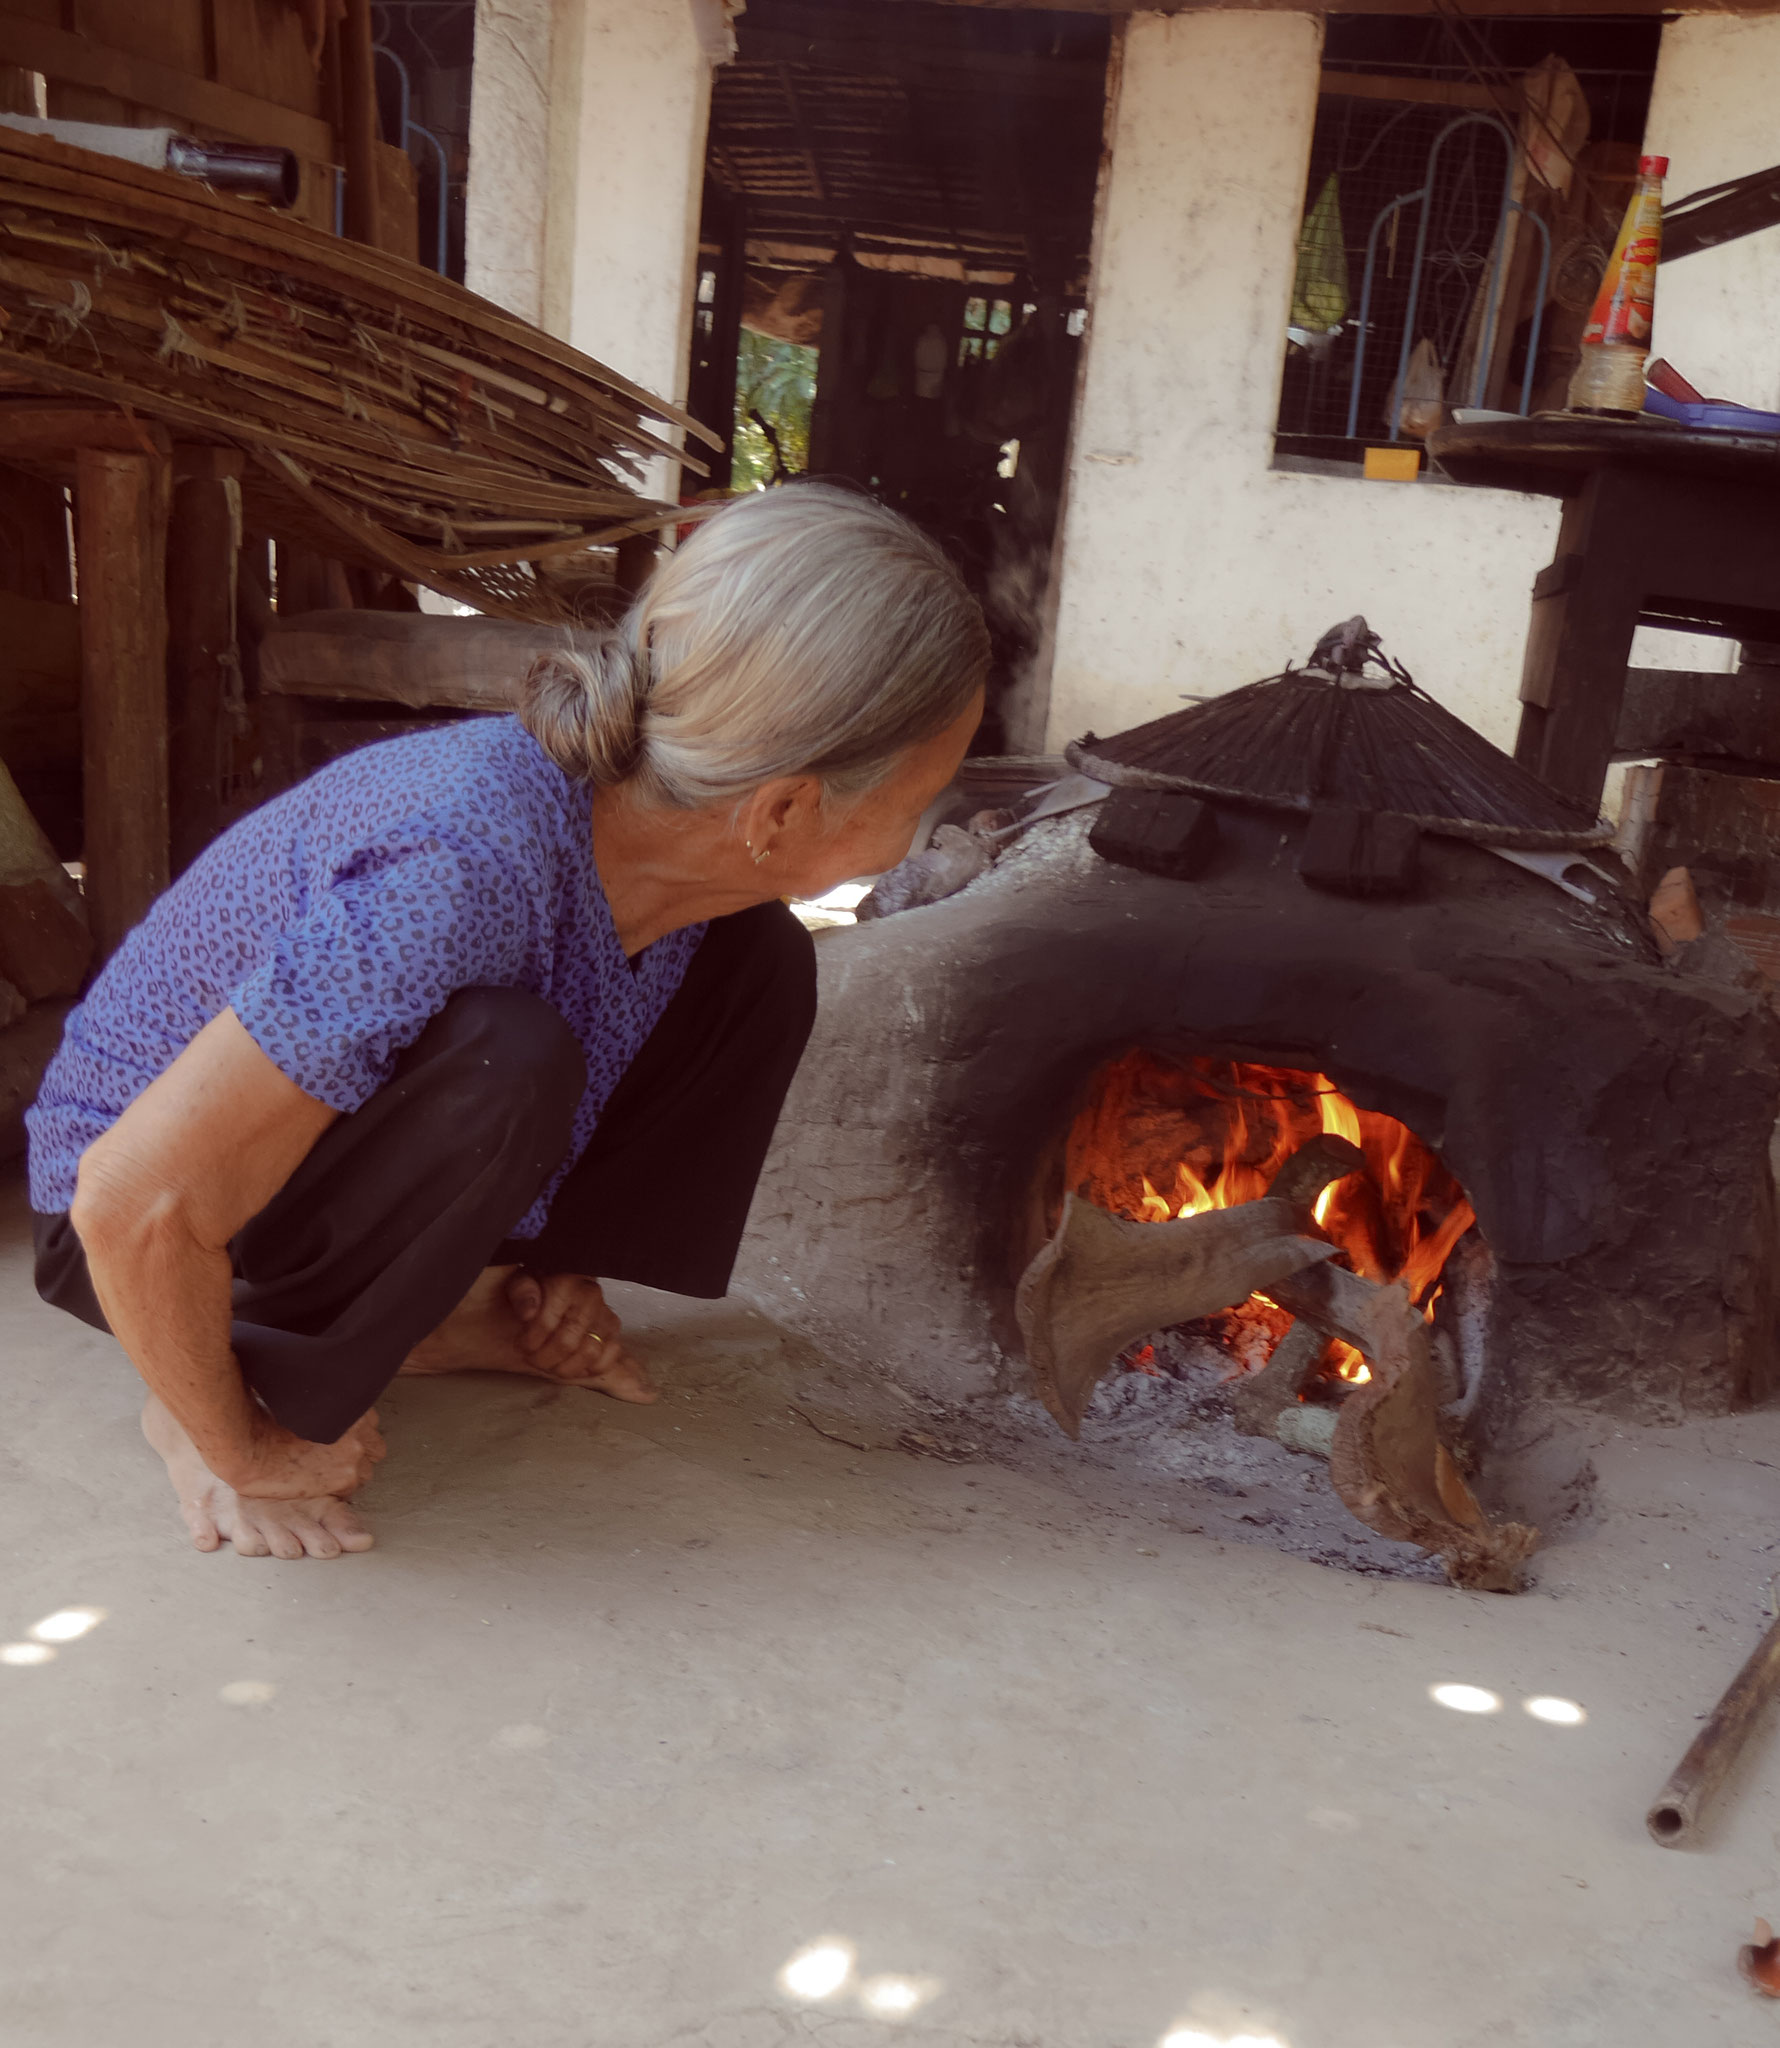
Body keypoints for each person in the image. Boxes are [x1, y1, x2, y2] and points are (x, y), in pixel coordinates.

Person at [27, 483, 987, 1560]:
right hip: (138, 1225)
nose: (913, 841)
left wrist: (539, 1278)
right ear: (779, 810)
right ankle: (223, 1367)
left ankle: (485, 1301)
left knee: (758, 959)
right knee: (510, 1056)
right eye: (918, 803)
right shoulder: (463, 866)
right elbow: (130, 1199)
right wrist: (236, 1440)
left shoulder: (655, 853)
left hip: (263, 1182)